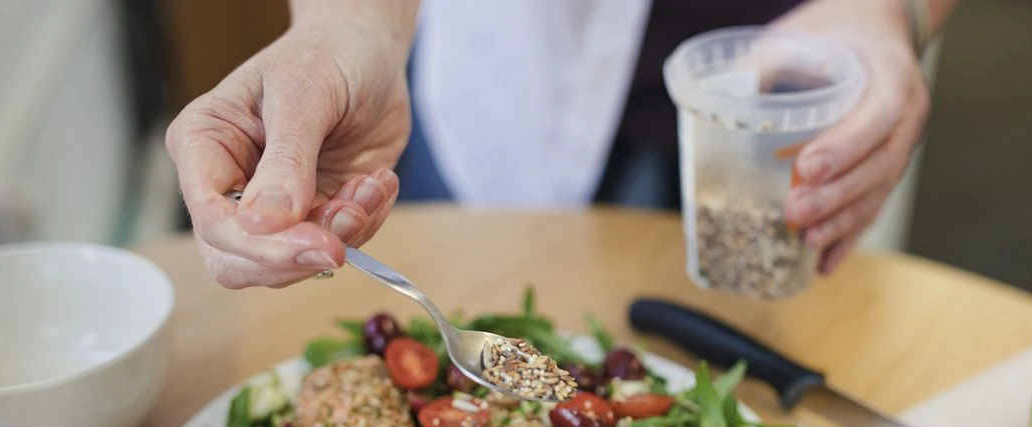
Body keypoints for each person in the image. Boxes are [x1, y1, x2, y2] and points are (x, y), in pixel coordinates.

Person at [166, 0, 959, 289]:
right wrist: (349, 23)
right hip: (495, 88)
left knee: (743, 380)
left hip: (774, 90)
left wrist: (892, 10)